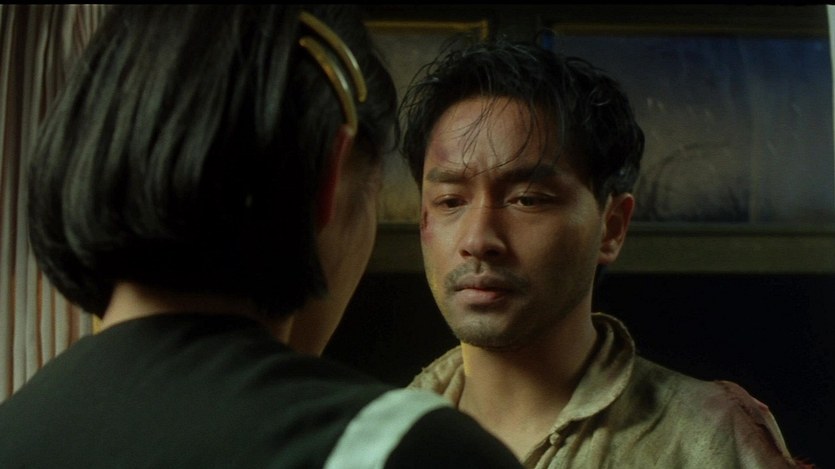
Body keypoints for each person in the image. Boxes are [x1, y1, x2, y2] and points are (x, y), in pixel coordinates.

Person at [0, 5, 524, 468]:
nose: (479, 238)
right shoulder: (410, 450)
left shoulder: (16, 427)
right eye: (448, 200)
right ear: (327, 176)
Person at [400, 38, 809, 468]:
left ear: (612, 226)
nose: (478, 239)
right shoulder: (379, 439)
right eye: (450, 201)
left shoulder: (703, 438)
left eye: (528, 199)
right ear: (423, 219)